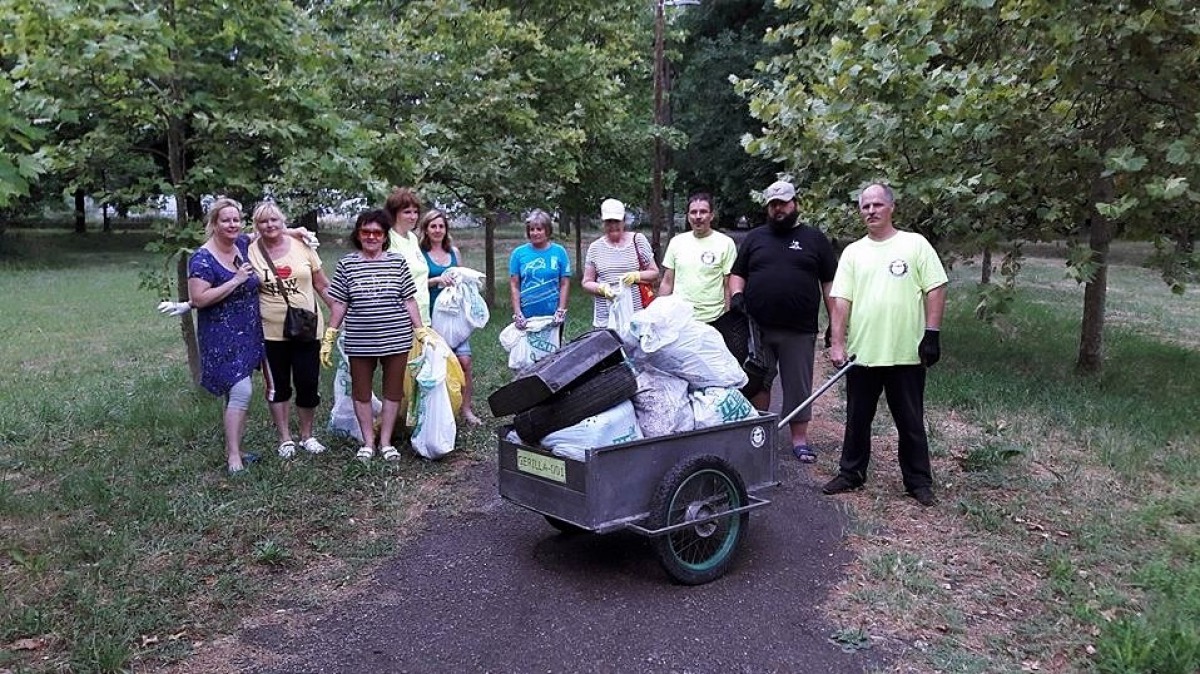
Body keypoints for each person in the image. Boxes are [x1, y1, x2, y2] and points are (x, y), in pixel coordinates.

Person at [823, 183, 948, 507]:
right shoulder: (853, 252)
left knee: (910, 421)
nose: (871, 211)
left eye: (877, 205)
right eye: (865, 206)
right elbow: (840, 300)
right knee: (857, 419)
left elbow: (936, 288)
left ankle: (918, 481)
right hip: (863, 354)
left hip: (906, 352)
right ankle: (851, 473)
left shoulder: (915, 245)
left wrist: (931, 333)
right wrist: (837, 343)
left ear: (891, 208)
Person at [729, 180, 837, 463]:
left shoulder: (814, 239)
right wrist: (737, 295)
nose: (778, 209)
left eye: (784, 203)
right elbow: (737, 273)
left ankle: (799, 440)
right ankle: (760, 436)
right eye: (773, 204)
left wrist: (835, 326)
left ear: (795, 204)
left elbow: (829, 284)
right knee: (758, 382)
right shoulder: (754, 238)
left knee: (797, 385)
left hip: (799, 330)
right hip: (757, 328)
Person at [321, 209, 427, 463]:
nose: (371, 237)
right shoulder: (347, 264)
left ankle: (386, 441)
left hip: (396, 338)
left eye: (377, 233)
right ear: (358, 234)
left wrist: (420, 330)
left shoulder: (397, 262)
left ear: (384, 236)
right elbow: (339, 304)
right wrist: (330, 335)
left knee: (393, 392)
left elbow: (409, 299)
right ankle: (368, 442)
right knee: (361, 392)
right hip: (360, 339)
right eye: (366, 232)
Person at [247, 201, 333, 459]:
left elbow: (322, 284)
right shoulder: (249, 249)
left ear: (283, 221)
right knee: (278, 386)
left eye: (275, 220)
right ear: (256, 225)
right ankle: (285, 438)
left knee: (308, 383)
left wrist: (340, 313)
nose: (270, 225)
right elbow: (229, 237)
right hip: (269, 330)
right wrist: (292, 230)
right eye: (263, 221)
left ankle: (307, 435)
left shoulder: (303, 246)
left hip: (306, 328)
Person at [185, 198, 264, 475]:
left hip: (248, 332)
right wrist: (235, 281)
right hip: (220, 335)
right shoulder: (202, 258)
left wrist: (297, 231)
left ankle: (238, 448)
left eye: (236, 219)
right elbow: (198, 299)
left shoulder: (240, 244)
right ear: (214, 224)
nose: (232, 224)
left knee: (236, 393)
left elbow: (266, 232)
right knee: (242, 390)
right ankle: (233, 457)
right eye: (226, 220)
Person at [419, 208, 482, 426]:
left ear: (446, 230)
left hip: (455, 317)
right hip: (432, 318)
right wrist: (437, 280)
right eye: (433, 226)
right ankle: (439, 411)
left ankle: (466, 409)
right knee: (439, 364)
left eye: (441, 226)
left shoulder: (454, 253)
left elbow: (462, 278)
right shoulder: (420, 255)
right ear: (426, 229)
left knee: (465, 361)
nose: (437, 230)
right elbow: (415, 284)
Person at [657, 192, 737, 323]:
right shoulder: (676, 242)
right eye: (693, 212)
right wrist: (659, 314)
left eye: (703, 212)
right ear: (688, 217)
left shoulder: (726, 244)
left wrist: (728, 320)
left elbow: (728, 286)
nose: (698, 217)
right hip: (680, 319)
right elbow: (667, 282)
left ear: (711, 215)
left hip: (713, 319)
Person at [581, 198, 659, 327]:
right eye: (608, 222)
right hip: (606, 317)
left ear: (624, 221)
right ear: (603, 222)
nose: (613, 225)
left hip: (637, 315)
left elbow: (654, 273)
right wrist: (601, 288)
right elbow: (586, 282)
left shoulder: (638, 240)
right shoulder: (595, 248)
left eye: (616, 221)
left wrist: (637, 276)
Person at [508, 208, 571, 330]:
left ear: (547, 230)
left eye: (539, 229)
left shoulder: (559, 252)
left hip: (552, 316)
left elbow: (564, 283)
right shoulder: (518, 253)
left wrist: (561, 310)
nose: (535, 233)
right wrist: (517, 313)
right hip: (527, 317)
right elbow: (514, 284)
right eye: (532, 229)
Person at [383, 187, 432, 326]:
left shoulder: (412, 238)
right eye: (407, 212)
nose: (413, 216)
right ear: (394, 213)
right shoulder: (388, 239)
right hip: (400, 319)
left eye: (415, 212)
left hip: (422, 315)